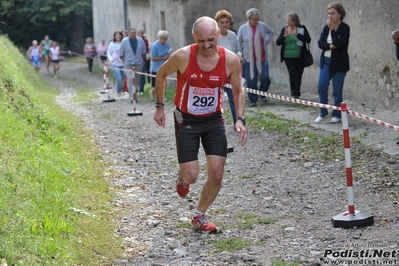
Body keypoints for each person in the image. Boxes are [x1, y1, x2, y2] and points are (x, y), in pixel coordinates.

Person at [153, 16, 247, 233]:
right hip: (186, 119)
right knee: (191, 175)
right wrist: (160, 106)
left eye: (211, 40)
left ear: (219, 36)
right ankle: (182, 176)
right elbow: (161, 74)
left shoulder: (230, 60)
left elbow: (238, 90)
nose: (207, 45)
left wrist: (240, 119)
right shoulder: (183, 56)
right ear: (194, 37)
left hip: (214, 119)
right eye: (202, 40)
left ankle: (199, 215)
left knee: (217, 172)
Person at [315, 2, 350, 124]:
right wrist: (331, 46)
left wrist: (333, 30)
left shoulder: (345, 28)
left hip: (339, 64)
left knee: (337, 90)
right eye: (328, 13)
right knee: (321, 86)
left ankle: (337, 114)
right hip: (326, 61)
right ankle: (323, 112)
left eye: (333, 13)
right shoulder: (326, 27)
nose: (330, 16)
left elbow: (339, 43)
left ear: (339, 14)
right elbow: (320, 43)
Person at [238, 8, 274, 107]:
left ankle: (262, 94)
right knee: (251, 80)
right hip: (249, 59)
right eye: (254, 19)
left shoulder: (262, 26)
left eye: (257, 19)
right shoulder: (243, 28)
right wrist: (240, 54)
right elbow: (239, 42)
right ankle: (253, 100)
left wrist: (266, 42)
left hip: (262, 58)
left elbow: (271, 32)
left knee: (265, 77)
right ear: (249, 19)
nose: (256, 21)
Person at [214, 9, 242, 126]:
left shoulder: (232, 35)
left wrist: (239, 56)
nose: (225, 25)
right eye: (222, 22)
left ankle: (237, 121)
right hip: (217, 70)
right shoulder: (214, 37)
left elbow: (237, 50)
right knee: (216, 96)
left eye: (227, 22)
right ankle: (215, 122)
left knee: (233, 95)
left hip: (231, 71)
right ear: (218, 24)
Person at [276, 12, 311, 99]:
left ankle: (297, 92)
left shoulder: (301, 28)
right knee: (293, 74)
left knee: (299, 74)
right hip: (288, 56)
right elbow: (278, 42)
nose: (287, 22)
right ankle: (294, 93)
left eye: (289, 20)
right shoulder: (285, 29)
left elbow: (308, 40)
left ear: (294, 21)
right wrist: (284, 36)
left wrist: (297, 35)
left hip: (300, 56)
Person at [119, 28, 147, 103]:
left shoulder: (140, 40)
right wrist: (125, 62)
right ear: (128, 33)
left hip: (139, 63)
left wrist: (143, 61)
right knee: (131, 78)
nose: (133, 34)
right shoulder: (124, 41)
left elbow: (144, 52)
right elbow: (121, 53)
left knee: (136, 81)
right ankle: (132, 97)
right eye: (131, 33)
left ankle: (135, 94)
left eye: (134, 33)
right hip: (128, 64)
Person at [149, 30, 170, 100]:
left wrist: (168, 57)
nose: (164, 40)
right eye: (163, 39)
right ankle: (153, 92)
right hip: (156, 67)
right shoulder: (155, 46)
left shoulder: (166, 45)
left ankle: (161, 96)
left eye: (165, 39)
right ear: (159, 38)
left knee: (164, 83)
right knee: (158, 84)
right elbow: (152, 57)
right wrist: (162, 58)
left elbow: (168, 53)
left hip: (164, 66)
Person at [107, 30, 125, 99]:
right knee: (119, 78)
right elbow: (108, 53)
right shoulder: (112, 44)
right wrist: (111, 59)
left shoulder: (123, 43)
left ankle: (120, 90)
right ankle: (118, 92)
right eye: (116, 35)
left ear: (121, 36)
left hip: (122, 63)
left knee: (122, 79)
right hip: (115, 64)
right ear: (114, 36)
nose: (118, 36)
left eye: (119, 35)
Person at [137, 30, 150, 94]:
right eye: (139, 34)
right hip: (136, 61)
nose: (140, 35)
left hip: (143, 60)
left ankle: (141, 89)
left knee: (142, 75)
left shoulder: (145, 41)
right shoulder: (135, 41)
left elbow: (146, 50)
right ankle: (136, 88)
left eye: (141, 34)